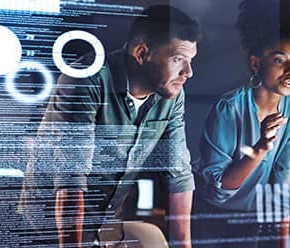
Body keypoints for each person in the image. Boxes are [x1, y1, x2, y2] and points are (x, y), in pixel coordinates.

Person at [18, 5, 201, 247]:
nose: (188, 72)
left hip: (107, 233)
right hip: (48, 233)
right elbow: (71, 178)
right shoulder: (86, 77)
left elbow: (178, 175)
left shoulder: (173, 94)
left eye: (191, 60)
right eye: (178, 59)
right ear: (142, 53)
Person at [192, 1, 290, 247]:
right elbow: (220, 188)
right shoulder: (229, 107)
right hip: (213, 219)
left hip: (259, 221)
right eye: (280, 60)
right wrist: (260, 149)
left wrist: (283, 243)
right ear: (256, 62)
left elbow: (286, 178)